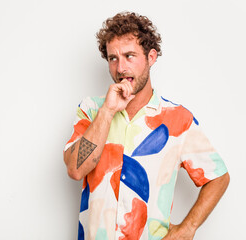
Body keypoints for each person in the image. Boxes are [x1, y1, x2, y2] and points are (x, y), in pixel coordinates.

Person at [63, 11, 230, 240]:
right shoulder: (91, 110)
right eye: (113, 58)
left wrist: (188, 228)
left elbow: (218, 176)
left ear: (151, 57)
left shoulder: (178, 119)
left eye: (129, 56)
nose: (120, 68)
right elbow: (75, 169)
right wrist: (108, 111)